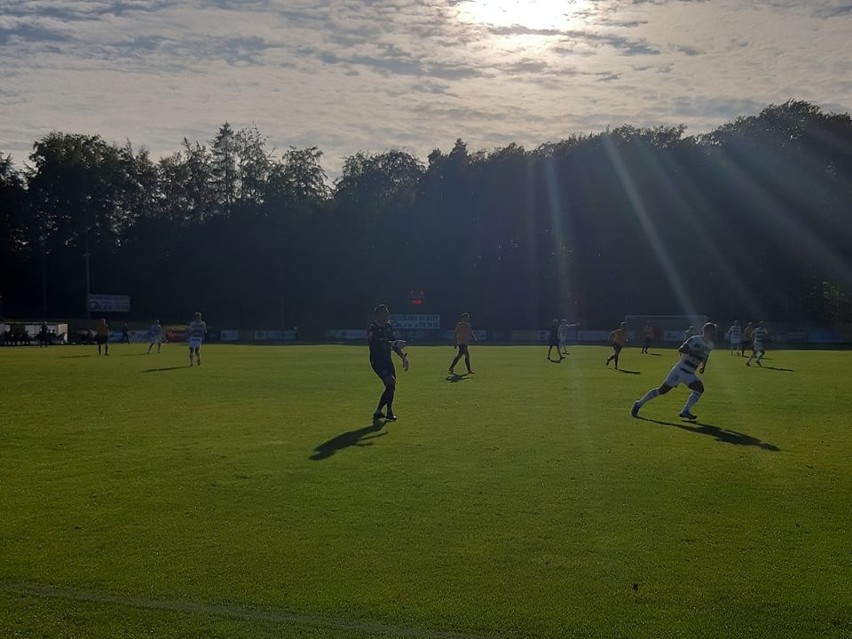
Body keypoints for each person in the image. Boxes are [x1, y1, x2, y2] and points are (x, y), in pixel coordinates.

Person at [632, 322, 717, 421]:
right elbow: (681, 349)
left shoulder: (710, 344)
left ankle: (685, 411)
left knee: (699, 388)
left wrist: (703, 366)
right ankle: (639, 403)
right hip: (680, 370)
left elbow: (706, 355)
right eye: (713, 332)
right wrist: (694, 352)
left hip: (690, 373)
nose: (714, 334)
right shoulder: (695, 339)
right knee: (662, 390)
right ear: (706, 331)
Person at [368, 304, 409, 421]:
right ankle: (388, 412)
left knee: (391, 386)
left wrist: (403, 357)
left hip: (387, 360)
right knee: (391, 381)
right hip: (377, 361)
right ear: (379, 315)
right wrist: (393, 343)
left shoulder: (388, 327)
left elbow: (393, 344)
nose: (388, 315)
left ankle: (380, 411)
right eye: (386, 313)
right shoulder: (373, 329)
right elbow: (377, 343)